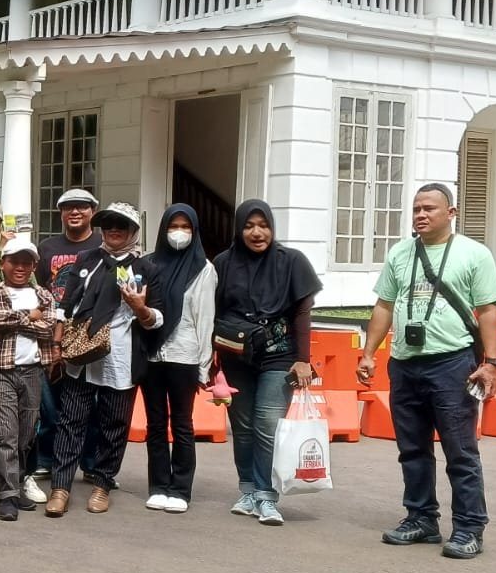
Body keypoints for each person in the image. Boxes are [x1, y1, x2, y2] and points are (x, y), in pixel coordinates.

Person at [357, 184, 496, 559]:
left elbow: (487, 311)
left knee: (460, 452)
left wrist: (491, 362)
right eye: (417, 209)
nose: (421, 215)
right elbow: (384, 305)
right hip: (405, 365)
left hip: (452, 364)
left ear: (450, 213)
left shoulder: (474, 254)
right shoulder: (401, 253)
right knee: (412, 450)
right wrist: (369, 353)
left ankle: (470, 528)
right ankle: (421, 519)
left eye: (430, 209)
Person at [49, 202, 164, 517]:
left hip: (122, 358)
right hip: (82, 355)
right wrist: (57, 345)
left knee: (114, 423)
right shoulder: (87, 260)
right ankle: (61, 486)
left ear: (133, 231)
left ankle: (102, 482)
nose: (114, 229)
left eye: (121, 225)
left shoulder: (146, 269)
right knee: (70, 421)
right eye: (109, 223)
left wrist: (140, 307)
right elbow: (66, 304)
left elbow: (158, 319)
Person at [213, 199, 321, 527]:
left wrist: (304, 360)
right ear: (239, 228)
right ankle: (247, 490)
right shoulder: (222, 263)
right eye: (249, 226)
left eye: (263, 225)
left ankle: (267, 495)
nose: (257, 233)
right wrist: (210, 362)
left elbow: (302, 312)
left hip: (280, 355)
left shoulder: (292, 262)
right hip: (235, 356)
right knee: (243, 428)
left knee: (267, 425)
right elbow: (211, 313)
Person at [141, 204, 217, 514]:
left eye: (186, 227)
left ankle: (181, 488)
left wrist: (204, 366)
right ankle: (159, 485)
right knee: (156, 424)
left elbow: (206, 319)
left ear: (195, 232)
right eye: (175, 226)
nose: (179, 232)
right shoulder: (149, 264)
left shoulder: (203, 269)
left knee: (183, 424)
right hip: (152, 355)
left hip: (185, 356)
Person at [0, 236, 58, 521]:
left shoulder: (44, 295)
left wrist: (22, 317)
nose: (21, 267)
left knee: (25, 433)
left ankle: (18, 482)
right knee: (3, 433)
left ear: (35, 265)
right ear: (3, 264)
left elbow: (48, 328)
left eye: (27, 262)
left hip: (33, 371)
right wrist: (31, 318)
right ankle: (8, 495)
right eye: (15, 261)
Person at [35, 188, 105, 479]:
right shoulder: (47, 247)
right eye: (68, 207)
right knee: (49, 405)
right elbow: (37, 288)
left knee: (89, 405)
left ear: (92, 211)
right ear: (61, 213)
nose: (75, 212)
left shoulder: (103, 244)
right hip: (51, 334)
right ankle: (45, 460)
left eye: (82, 207)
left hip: (90, 333)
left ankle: (90, 464)